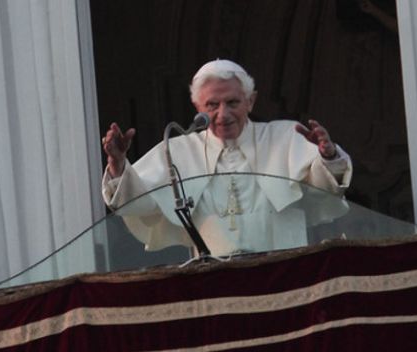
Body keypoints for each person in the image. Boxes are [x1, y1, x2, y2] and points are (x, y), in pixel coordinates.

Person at [101, 59, 353, 256]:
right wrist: (118, 165)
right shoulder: (176, 152)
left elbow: (324, 189)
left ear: (250, 102)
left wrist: (328, 156)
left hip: (286, 273)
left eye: (233, 102)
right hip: (214, 284)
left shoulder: (285, 137)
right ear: (198, 108)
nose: (223, 114)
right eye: (212, 105)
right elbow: (141, 204)